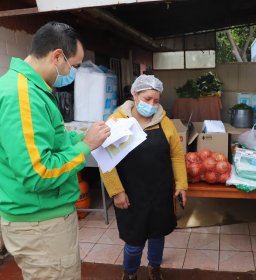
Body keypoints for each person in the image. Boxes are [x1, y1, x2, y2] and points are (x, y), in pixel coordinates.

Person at [0, 22, 110, 279]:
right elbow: (38, 172)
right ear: (57, 56)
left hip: (42, 219)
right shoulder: (22, 96)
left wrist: (81, 136)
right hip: (41, 226)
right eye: (75, 66)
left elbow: (51, 143)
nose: (75, 73)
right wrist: (86, 147)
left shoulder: (32, 89)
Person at [100, 74, 188, 280]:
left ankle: (154, 268)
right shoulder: (116, 121)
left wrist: (181, 184)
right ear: (135, 94)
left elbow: (176, 155)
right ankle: (130, 273)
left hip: (160, 190)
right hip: (131, 193)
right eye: (147, 99)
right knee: (134, 240)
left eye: (156, 101)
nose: (152, 104)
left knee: (158, 235)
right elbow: (106, 161)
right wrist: (116, 191)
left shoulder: (164, 123)